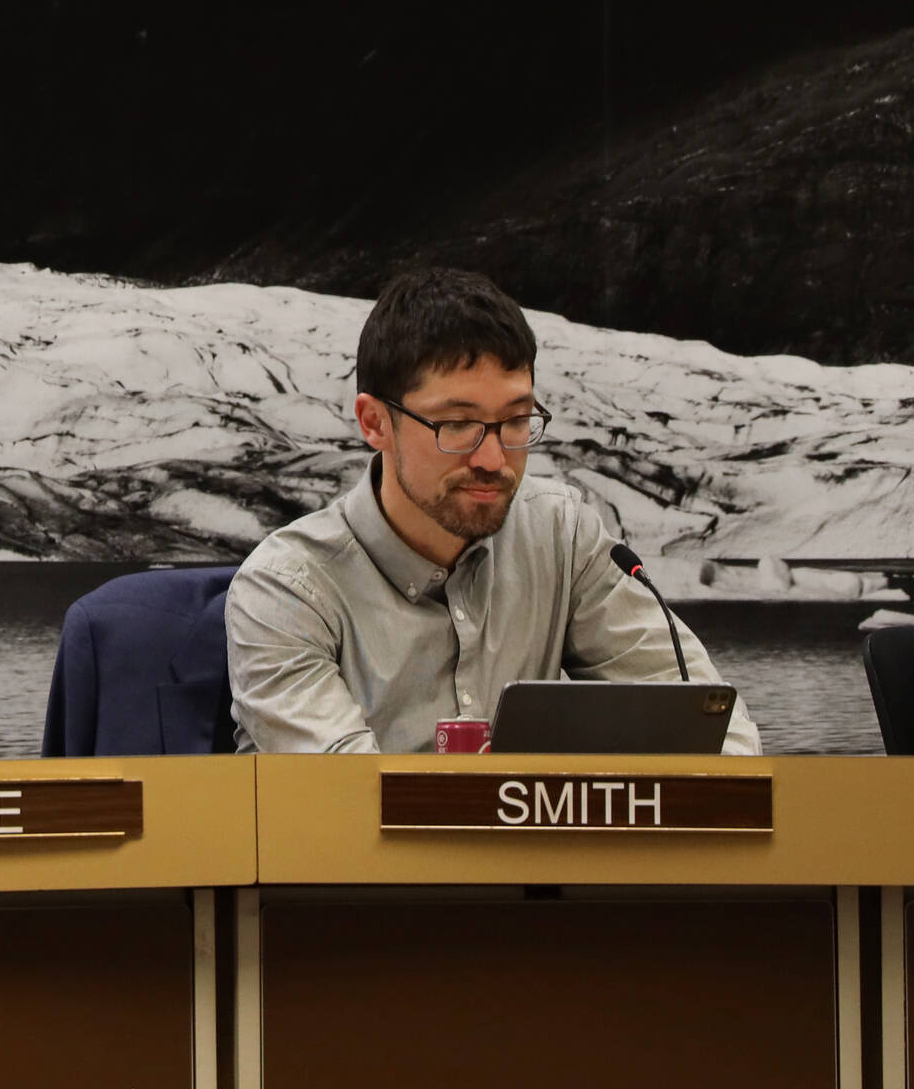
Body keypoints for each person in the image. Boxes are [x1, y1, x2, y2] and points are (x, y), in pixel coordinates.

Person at [226, 267, 760, 754]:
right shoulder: (286, 591)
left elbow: (717, 732)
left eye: (516, 420)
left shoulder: (563, 535)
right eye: (456, 424)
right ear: (374, 423)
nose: (493, 458)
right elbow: (350, 805)